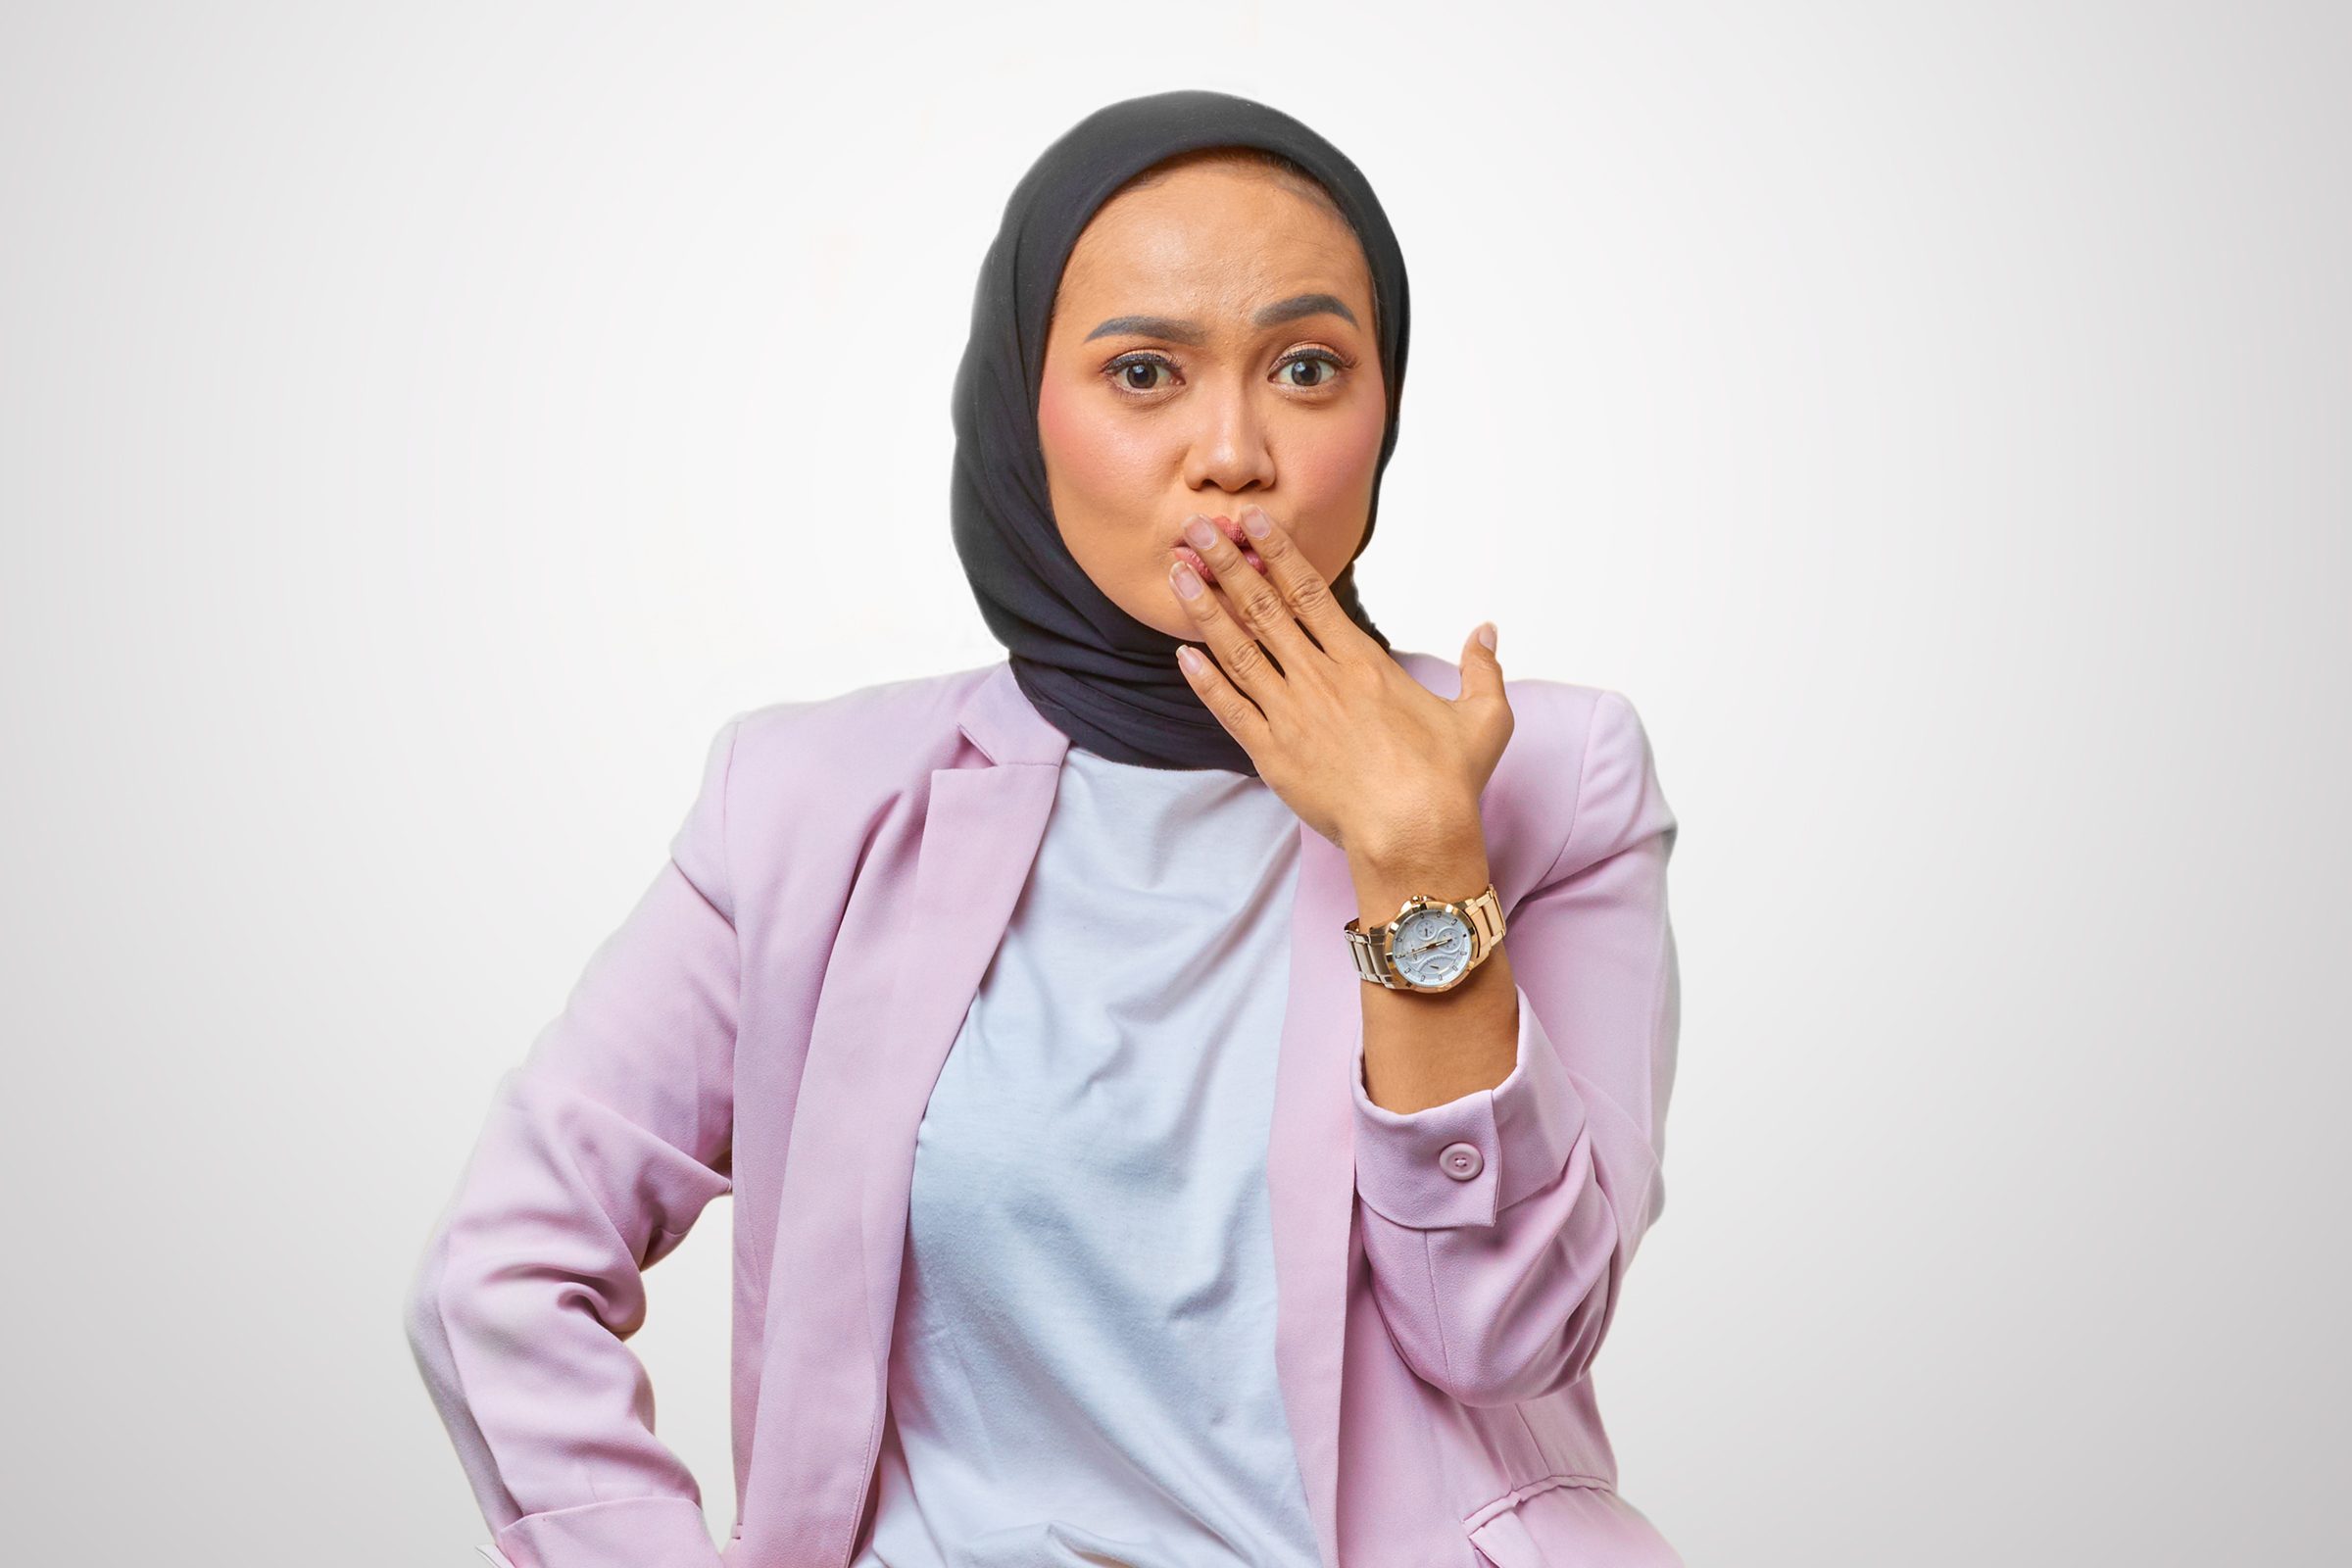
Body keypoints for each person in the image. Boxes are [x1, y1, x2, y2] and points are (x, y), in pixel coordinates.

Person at [406, 89, 1684, 1568]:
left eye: (1308, 368)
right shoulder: (807, 804)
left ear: (1383, 408)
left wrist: (1418, 861)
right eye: (1144, 372)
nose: (1232, 453)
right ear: (1026, 409)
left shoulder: (1549, 777)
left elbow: (1507, 1336)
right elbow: (505, 1268)